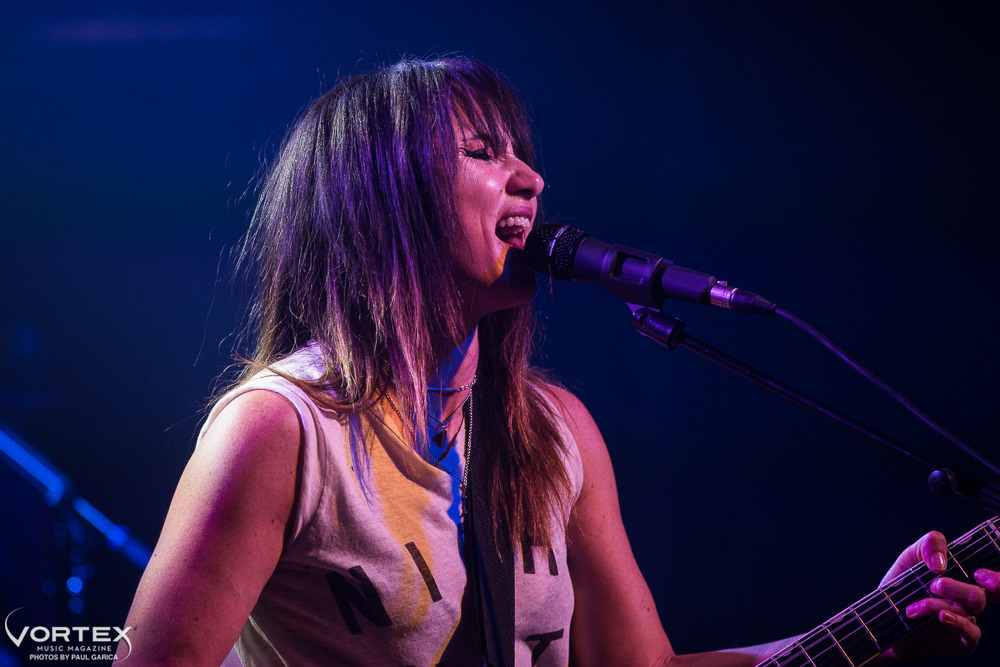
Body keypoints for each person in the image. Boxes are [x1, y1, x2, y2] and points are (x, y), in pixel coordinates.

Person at [119, 56, 998, 666]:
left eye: (523, 152)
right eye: (482, 151)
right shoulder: (279, 430)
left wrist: (879, 631)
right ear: (383, 199)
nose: (531, 178)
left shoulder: (555, 434)